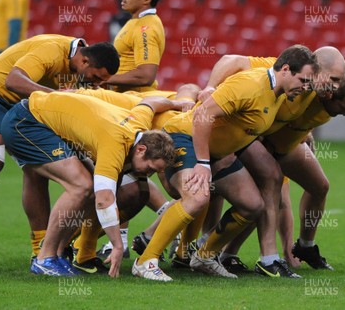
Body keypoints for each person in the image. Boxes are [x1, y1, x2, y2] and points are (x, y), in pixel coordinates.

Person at [132, 45, 319, 281]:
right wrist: (202, 162)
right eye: (303, 80)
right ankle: (146, 260)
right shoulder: (250, 85)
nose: (305, 88)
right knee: (197, 196)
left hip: (216, 153)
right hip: (184, 137)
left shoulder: (278, 95)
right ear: (284, 69)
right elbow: (203, 116)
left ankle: (205, 256)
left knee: (252, 205)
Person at [0, 35, 117, 267]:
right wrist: (53, 95)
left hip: (23, 108)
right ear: (84, 61)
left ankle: (41, 250)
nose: (96, 84)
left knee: (37, 169)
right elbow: (13, 81)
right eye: (96, 77)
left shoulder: (77, 71)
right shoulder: (53, 50)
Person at [193, 48, 345, 276]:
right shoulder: (284, 70)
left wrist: (307, 134)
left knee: (290, 190)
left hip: (265, 139)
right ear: (315, 70)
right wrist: (210, 87)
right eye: (333, 79)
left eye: (340, 81)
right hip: (237, 132)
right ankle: (259, 257)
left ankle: (232, 252)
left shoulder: (313, 89)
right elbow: (231, 59)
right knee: (267, 185)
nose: (336, 87)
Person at [0, 90, 177, 276]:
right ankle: (44, 258)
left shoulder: (139, 124)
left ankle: (58, 253)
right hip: (25, 122)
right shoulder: (115, 144)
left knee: (90, 186)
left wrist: (178, 104)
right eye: (150, 168)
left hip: (43, 121)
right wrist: (117, 245)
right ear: (141, 150)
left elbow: (151, 102)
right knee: (81, 186)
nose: (148, 174)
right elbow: (104, 200)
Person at [106, 0, 165, 92]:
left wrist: (105, 79)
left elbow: (146, 76)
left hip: (134, 98)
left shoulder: (146, 28)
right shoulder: (135, 21)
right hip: (122, 96)